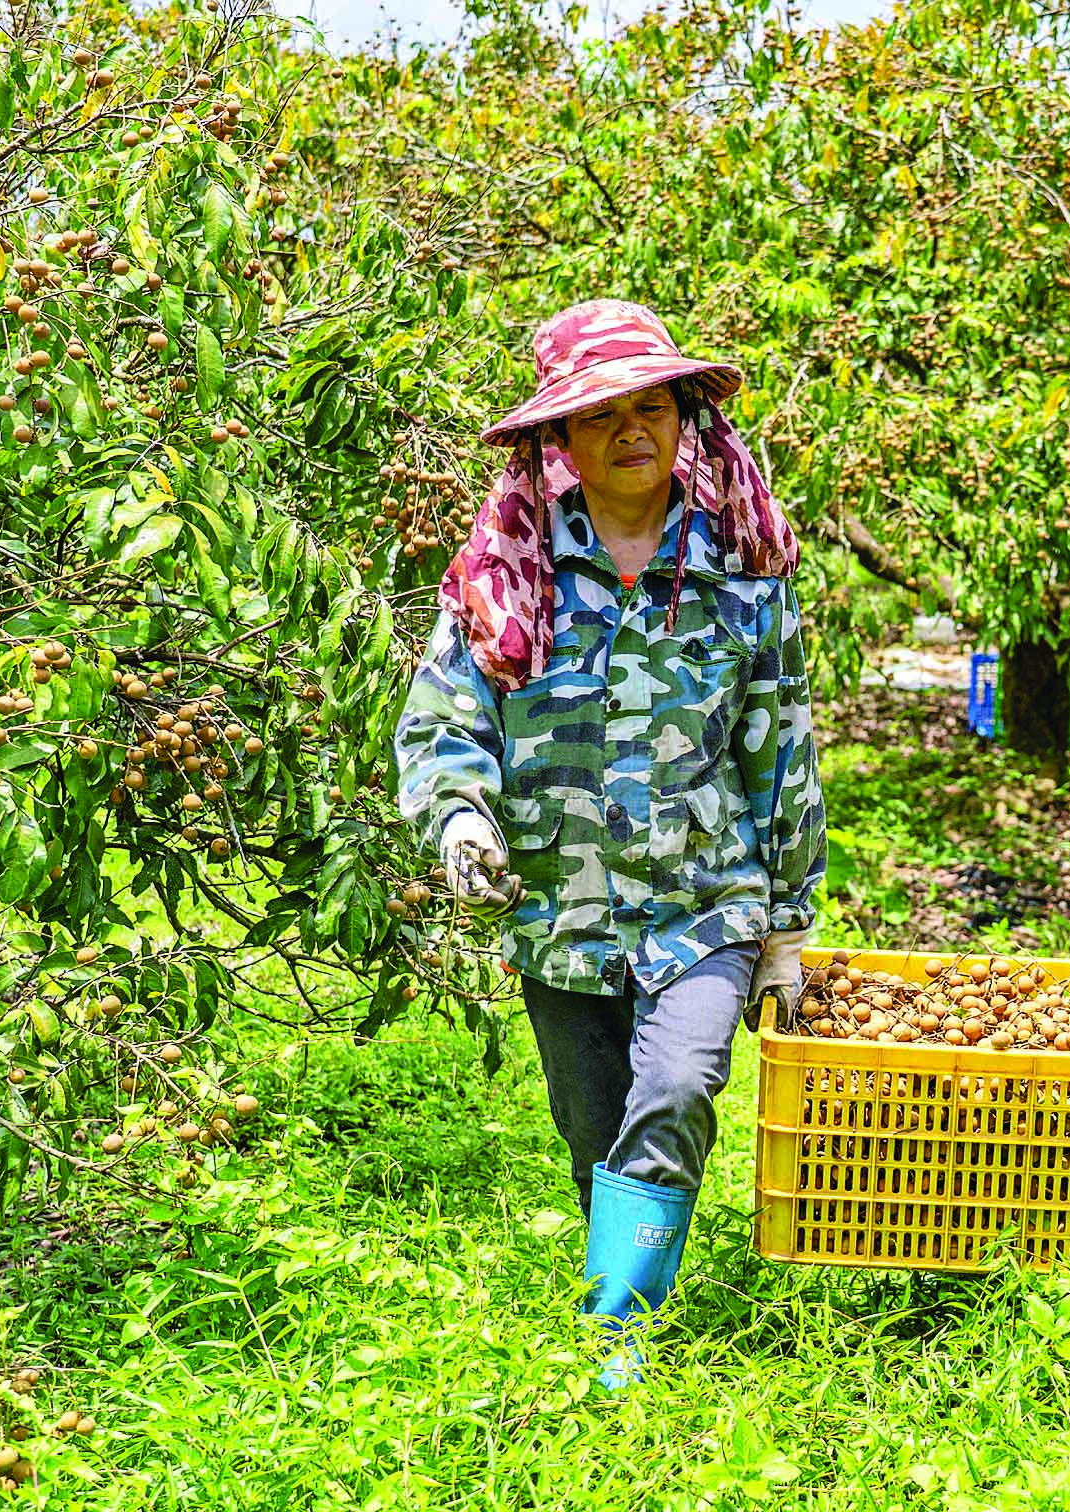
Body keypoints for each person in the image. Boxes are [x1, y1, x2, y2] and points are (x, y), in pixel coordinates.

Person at [393, 300, 823, 1374]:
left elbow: (783, 754)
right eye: (602, 415)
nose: (633, 431)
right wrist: (458, 819)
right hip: (562, 913)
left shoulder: (742, 572)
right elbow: (444, 721)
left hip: (706, 901)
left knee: (676, 1092)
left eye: (652, 407)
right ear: (559, 442)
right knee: (594, 1133)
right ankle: (621, 1256)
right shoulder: (508, 574)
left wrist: (786, 924)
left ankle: (618, 1348)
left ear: (684, 422)